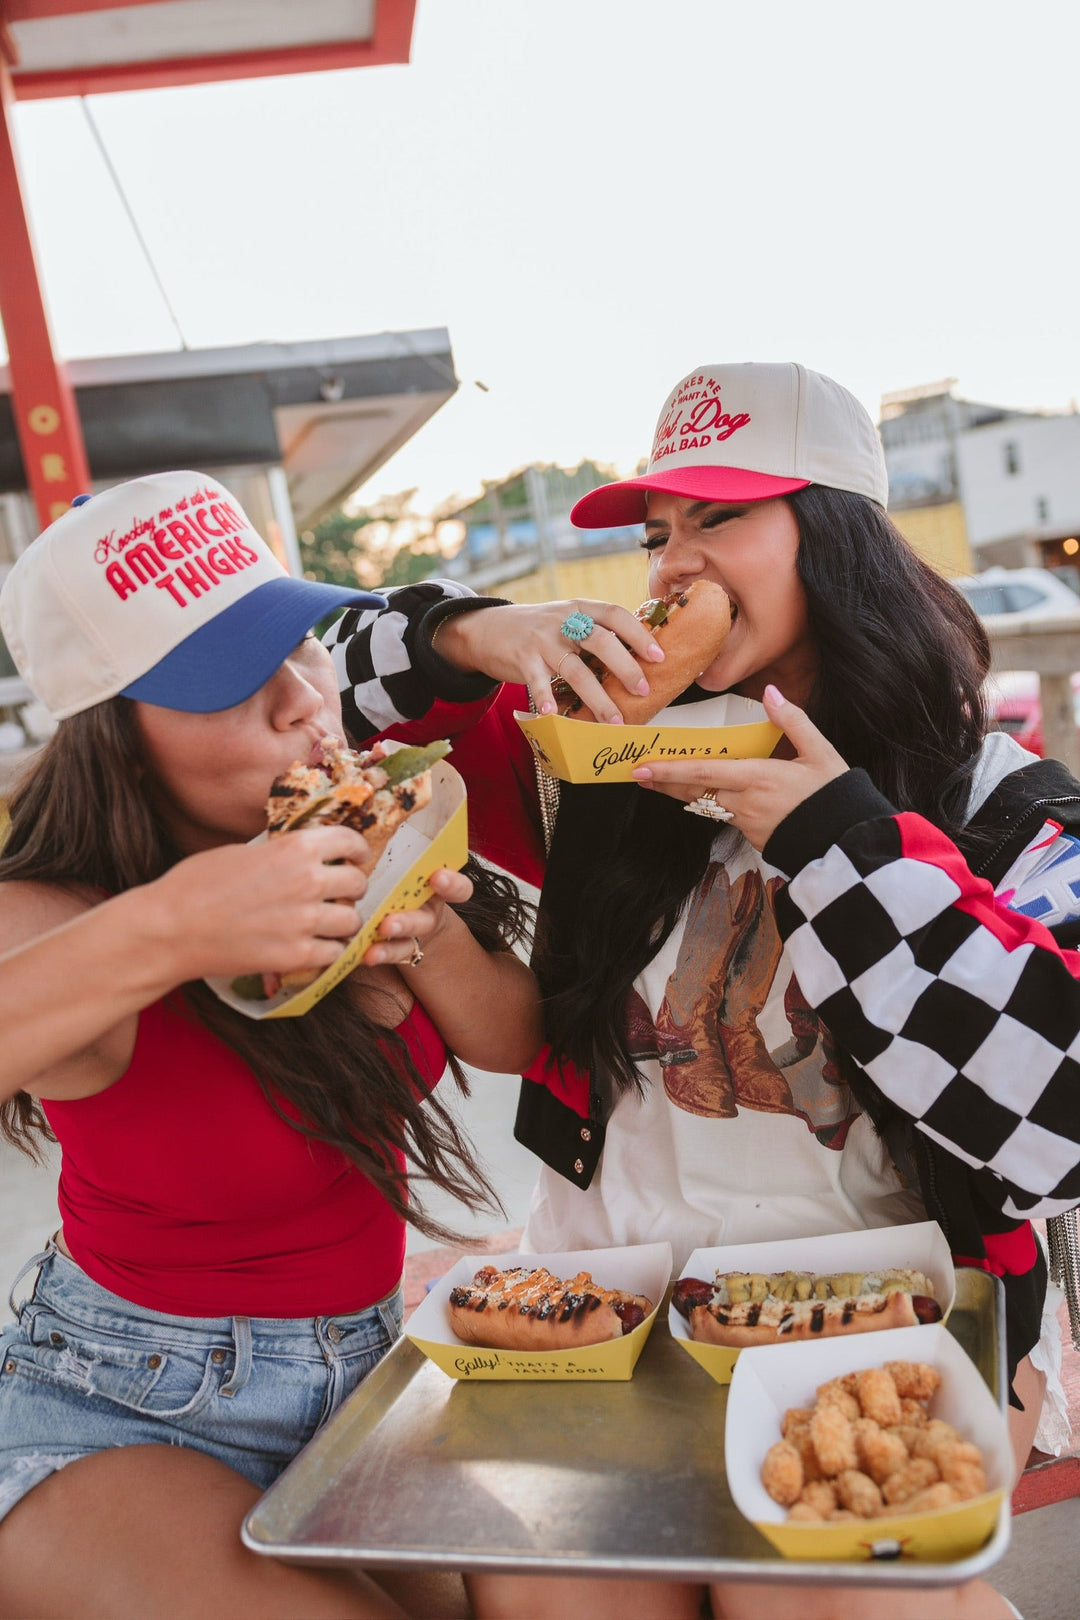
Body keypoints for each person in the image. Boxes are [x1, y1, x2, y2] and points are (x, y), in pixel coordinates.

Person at [323, 363, 1079, 1620]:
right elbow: (313, 694)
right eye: (656, 533)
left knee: (802, 1592)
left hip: (891, 1309)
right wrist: (480, 630)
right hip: (608, 1300)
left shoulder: (1004, 806)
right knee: (546, 1587)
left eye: (719, 519)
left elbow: (1057, 1120)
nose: (672, 564)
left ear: (839, 542)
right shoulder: (595, 753)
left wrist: (839, 843)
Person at [0, 472, 541, 1620]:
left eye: (298, 648)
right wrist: (177, 925)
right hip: (114, 1412)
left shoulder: (326, 837)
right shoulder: (53, 908)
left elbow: (513, 1042)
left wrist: (427, 919)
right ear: (117, 738)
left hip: (366, 1380)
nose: (306, 702)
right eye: (238, 682)